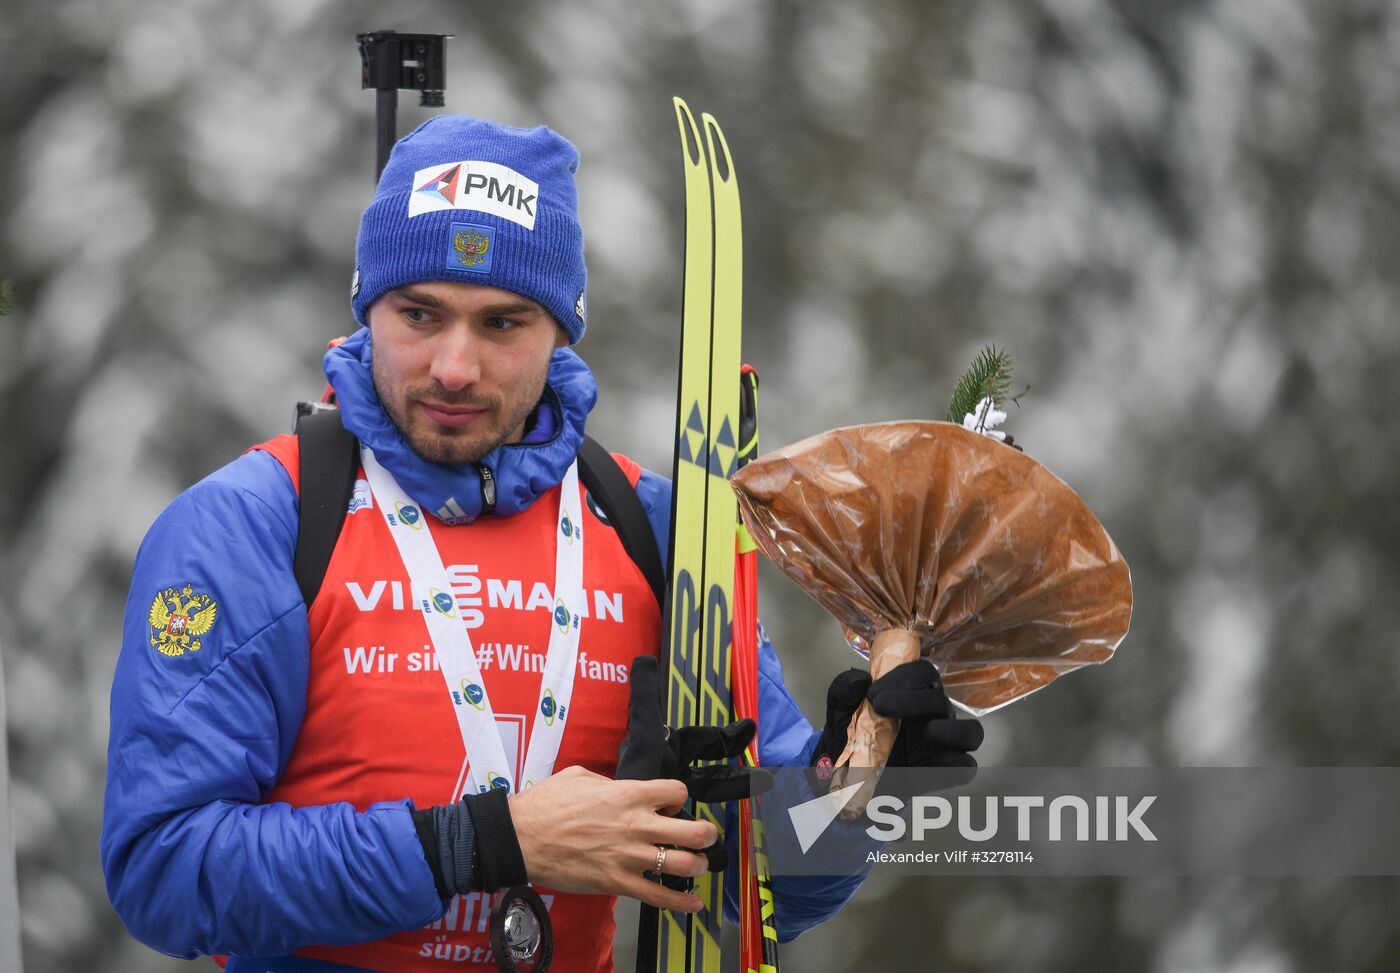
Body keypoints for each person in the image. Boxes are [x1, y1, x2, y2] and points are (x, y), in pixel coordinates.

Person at [101, 115, 982, 972]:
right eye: (419, 313)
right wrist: (485, 842)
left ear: (562, 329)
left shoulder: (654, 529)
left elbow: (767, 894)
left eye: (502, 323)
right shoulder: (261, 522)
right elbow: (164, 867)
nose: (453, 365)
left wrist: (859, 789)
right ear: (367, 307)